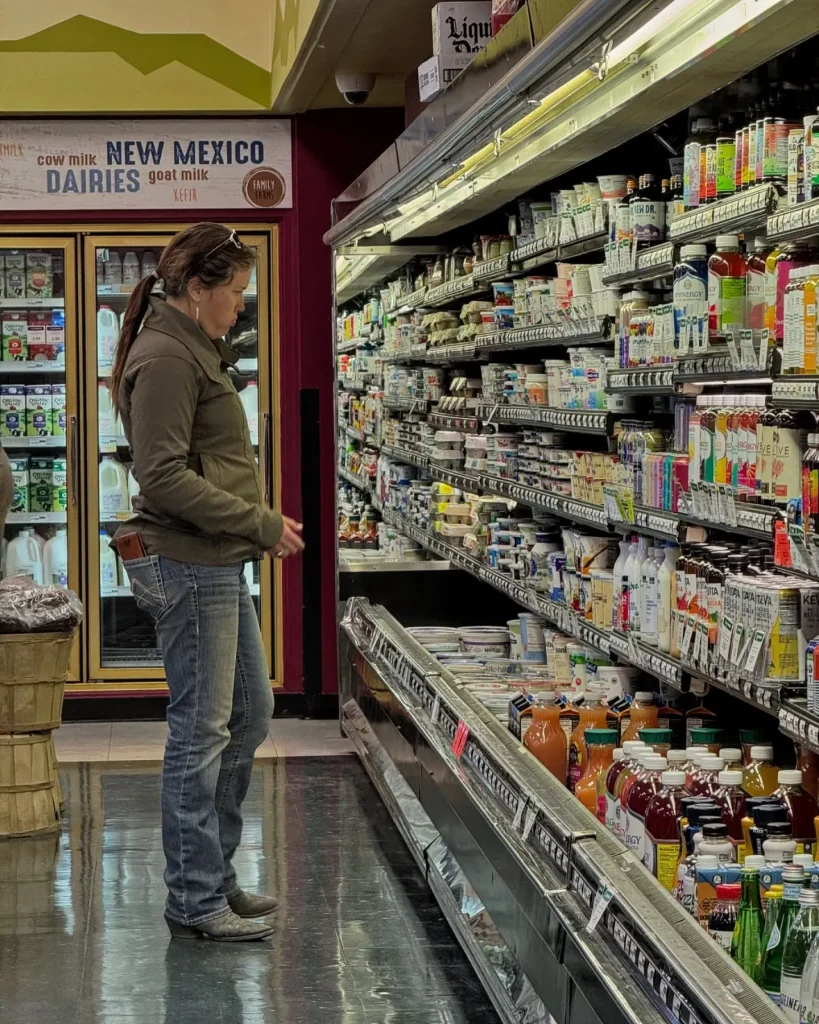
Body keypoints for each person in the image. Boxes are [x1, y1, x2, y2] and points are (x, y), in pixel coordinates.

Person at [109, 223, 303, 942]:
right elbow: (160, 474)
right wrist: (258, 522)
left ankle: (213, 879)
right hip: (187, 562)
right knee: (200, 731)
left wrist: (247, 530)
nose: (240, 305)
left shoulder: (191, 347)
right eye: (236, 291)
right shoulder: (166, 356)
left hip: (213, 560)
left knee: (248, 716)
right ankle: (194, 898)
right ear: (197, 288)